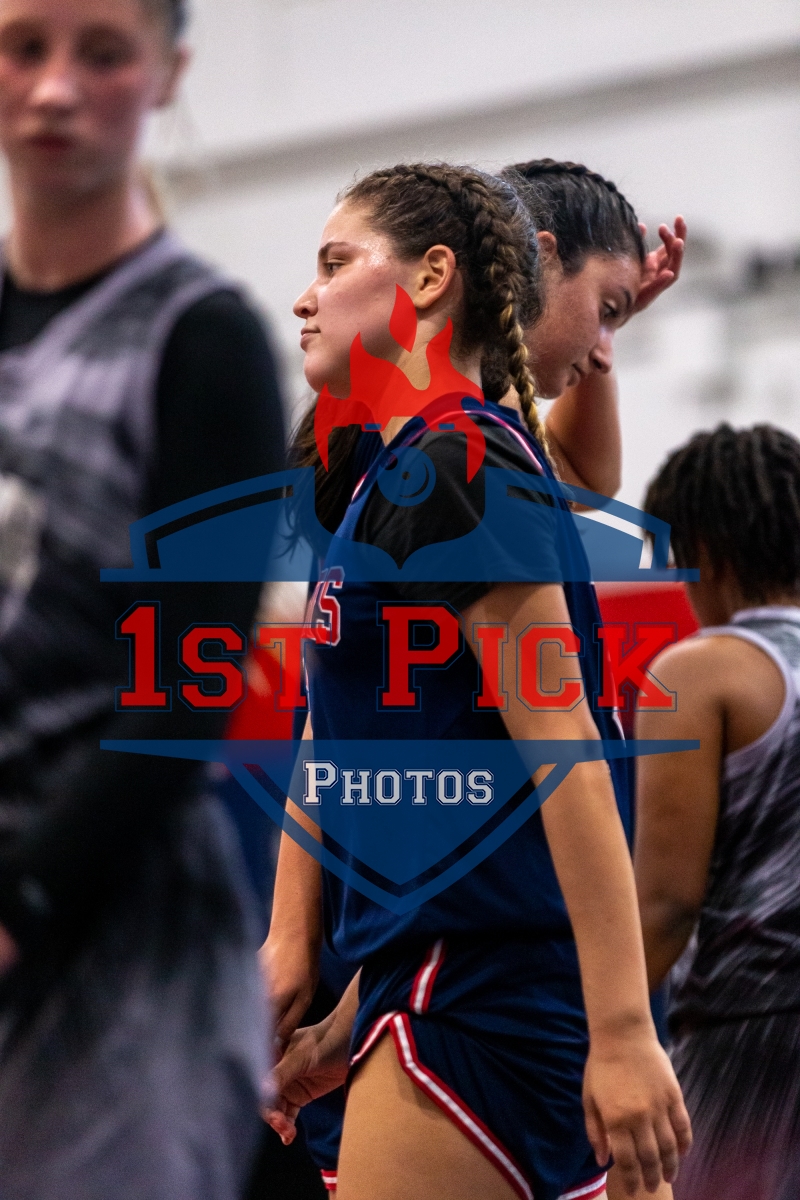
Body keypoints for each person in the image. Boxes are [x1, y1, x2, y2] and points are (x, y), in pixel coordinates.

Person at [264, 161, 691, 1200]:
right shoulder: (407, 469)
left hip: (488, 1000)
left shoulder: (462, 462)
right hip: (446, 981)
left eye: (334, 263)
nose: (305, 296)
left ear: (430, 277)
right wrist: (343, 1006)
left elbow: (567, 759)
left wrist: (623, 1030)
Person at [0, 1, 285, 1197]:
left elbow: (187, 690)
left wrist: (22, 899)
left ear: (166, 74)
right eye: (24, 47)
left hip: (122, 962)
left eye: (103, 54)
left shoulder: (202, 341)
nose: (55, 88)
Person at [633, 423, 800, 1200]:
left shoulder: (701, 674)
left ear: (704, 547)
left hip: (751, 1041)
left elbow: (666, 904)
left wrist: (587, 1029)